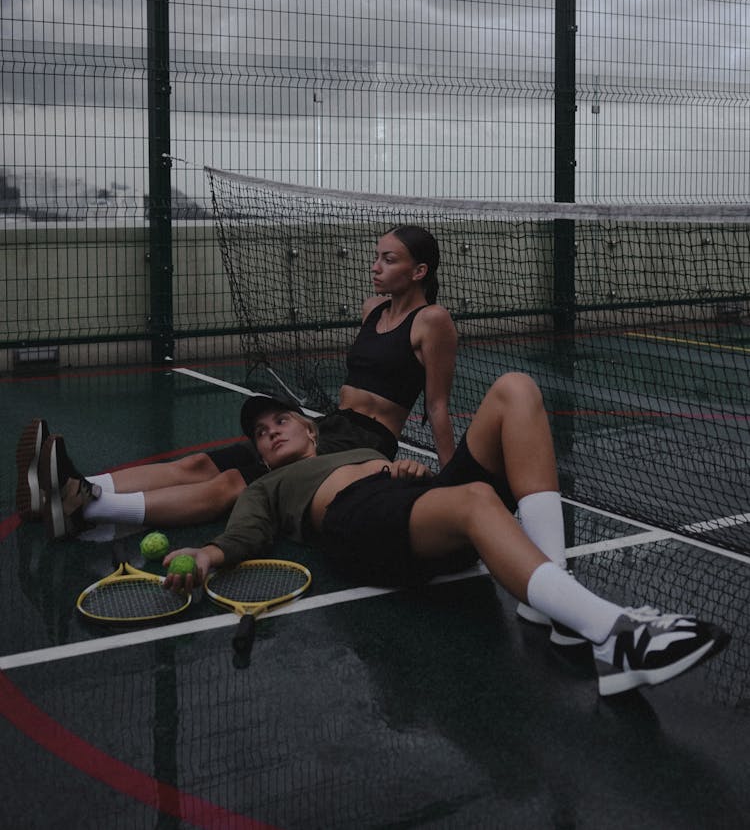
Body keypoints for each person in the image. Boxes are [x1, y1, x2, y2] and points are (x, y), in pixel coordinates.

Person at [162, 383, 728, 698]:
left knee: (515, 391)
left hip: (411, 507)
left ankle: (553, 608)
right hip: (357, 527)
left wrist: (405, 471)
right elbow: (239, 537)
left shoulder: (360, 451)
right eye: (261, 436)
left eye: (278, 422)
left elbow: (410, 484)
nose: (270, 433)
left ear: (309, 429)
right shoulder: (269, 487)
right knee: (477, 501)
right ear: (261, 456)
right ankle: (613, 634)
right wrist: (203, 555)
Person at [15, 224, 458, 539]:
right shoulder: (372, 309)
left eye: (389, 259)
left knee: (229, 486)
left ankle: (84, 504)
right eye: (376, 256)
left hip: (362, 445)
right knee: (196, 465)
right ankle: (69, 486)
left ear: (419, 271)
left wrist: (451, 480)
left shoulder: (432, 321)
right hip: (329, 423)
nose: (375, 266)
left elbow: (437, 407)